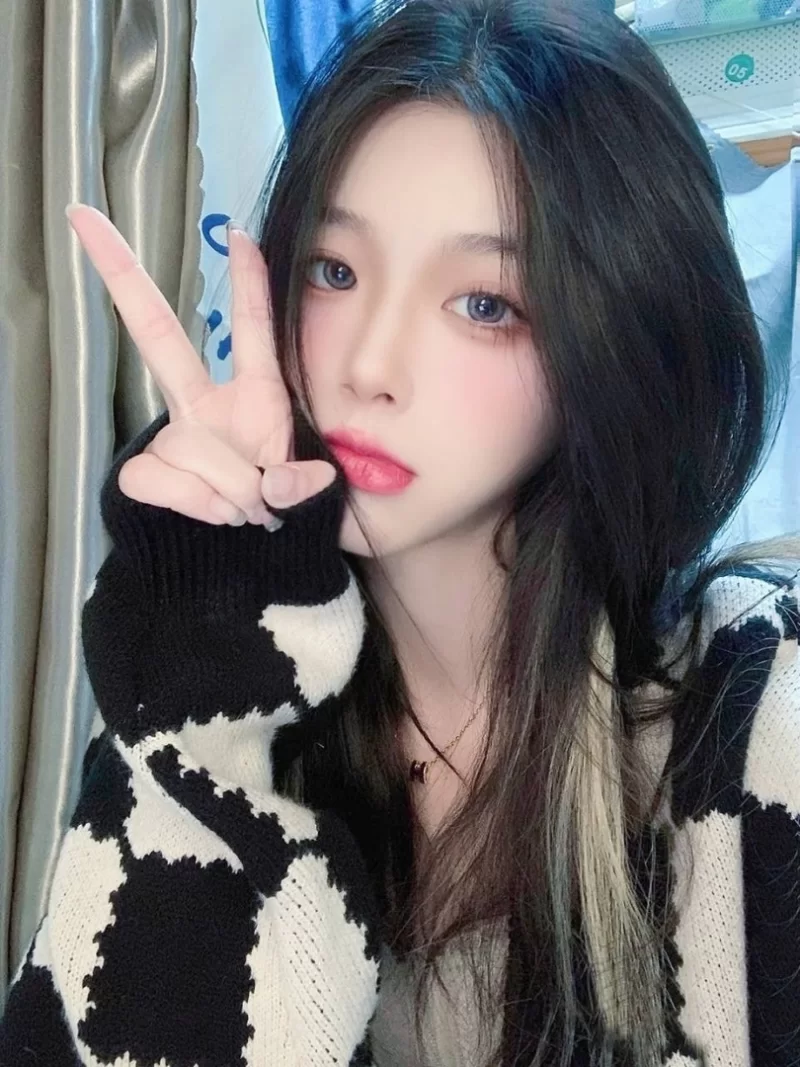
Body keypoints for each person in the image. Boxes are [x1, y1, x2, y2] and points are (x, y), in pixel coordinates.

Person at [1, 0, 798, 1064]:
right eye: (335, 271)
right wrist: (210, 649)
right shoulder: (220, 689)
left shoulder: (756, 710)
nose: (368, 365)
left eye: (484, 303)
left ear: (616, 335)